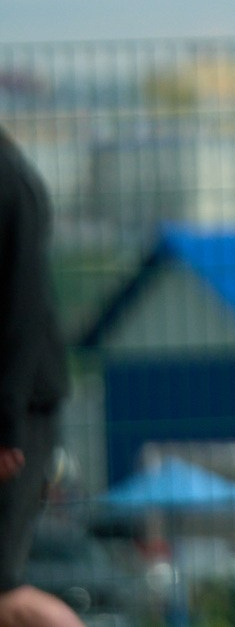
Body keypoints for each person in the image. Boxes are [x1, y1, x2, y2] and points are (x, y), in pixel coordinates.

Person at [0, 127, 76, 627]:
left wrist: (4, 429)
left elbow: (20, 315)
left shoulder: (8, 182)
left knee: (4, 594)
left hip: (17, 418)